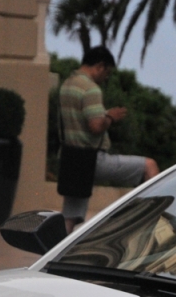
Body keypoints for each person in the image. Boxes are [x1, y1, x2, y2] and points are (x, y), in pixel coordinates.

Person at [57, 45, 158, 226]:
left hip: (72, 158)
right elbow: (96, 126)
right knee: (148, 166)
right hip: (93, 159)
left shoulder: (67, 85)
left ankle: (55, 253)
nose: (106, 78)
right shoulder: (91, 89)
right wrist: (110, 117)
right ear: (100, 66)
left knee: (70, 216)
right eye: (107, 73)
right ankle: (154, 224)